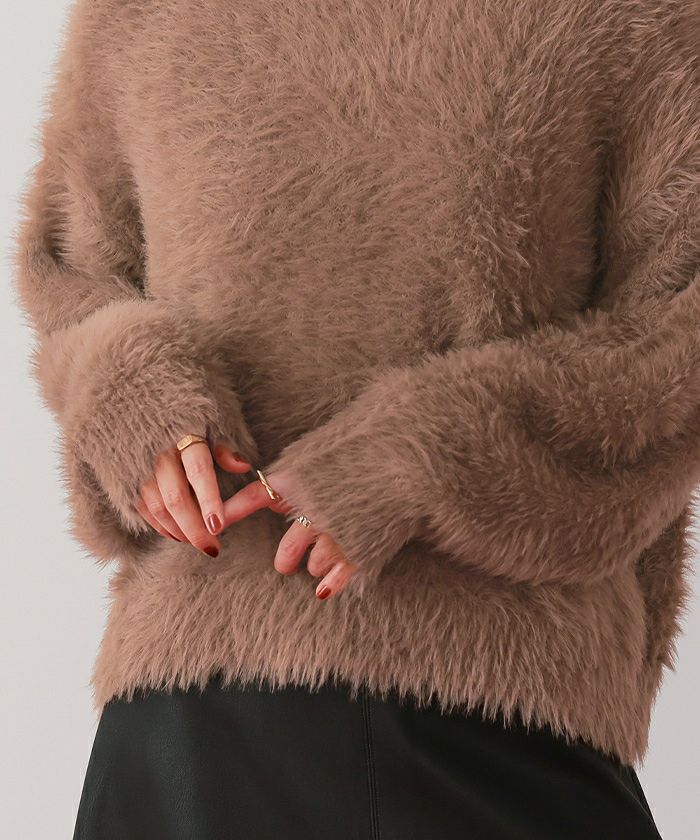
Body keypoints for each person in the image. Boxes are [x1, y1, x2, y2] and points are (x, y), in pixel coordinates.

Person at [12, 0, 698, 837]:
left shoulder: (629, 16)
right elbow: (73, 278)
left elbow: (679, 328)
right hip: (198, 710)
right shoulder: (138, 14)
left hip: (496, 709)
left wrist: (422, 457)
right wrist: (131, 391)